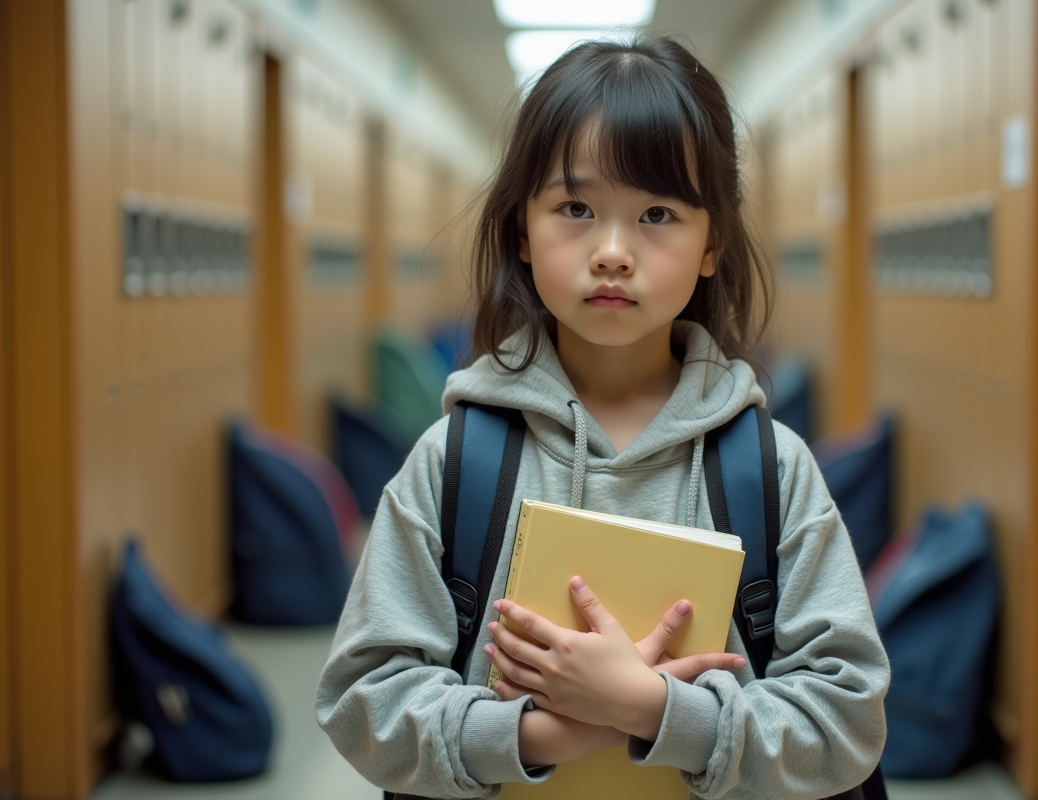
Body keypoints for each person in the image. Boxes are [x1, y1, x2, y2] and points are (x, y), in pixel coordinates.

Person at [316, 35, 889, 799]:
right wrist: (542, 733)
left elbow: (847, 719)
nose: (613, 252)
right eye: (576, 208)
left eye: (656, 213)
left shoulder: (770, 467)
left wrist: (653, 710)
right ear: (522, 230)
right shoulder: (455, 459)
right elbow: (361, 700)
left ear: (712, 242)